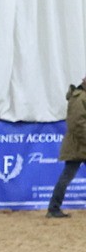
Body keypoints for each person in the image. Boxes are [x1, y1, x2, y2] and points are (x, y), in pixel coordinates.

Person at [46, 75, 86, 218]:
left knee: (67, 176)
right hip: (78, 146)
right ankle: (53, 208)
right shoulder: (80, 98)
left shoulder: (80, 97)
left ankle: (53, 208)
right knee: (66, 177)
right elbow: (77, 124)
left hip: (80, 145)